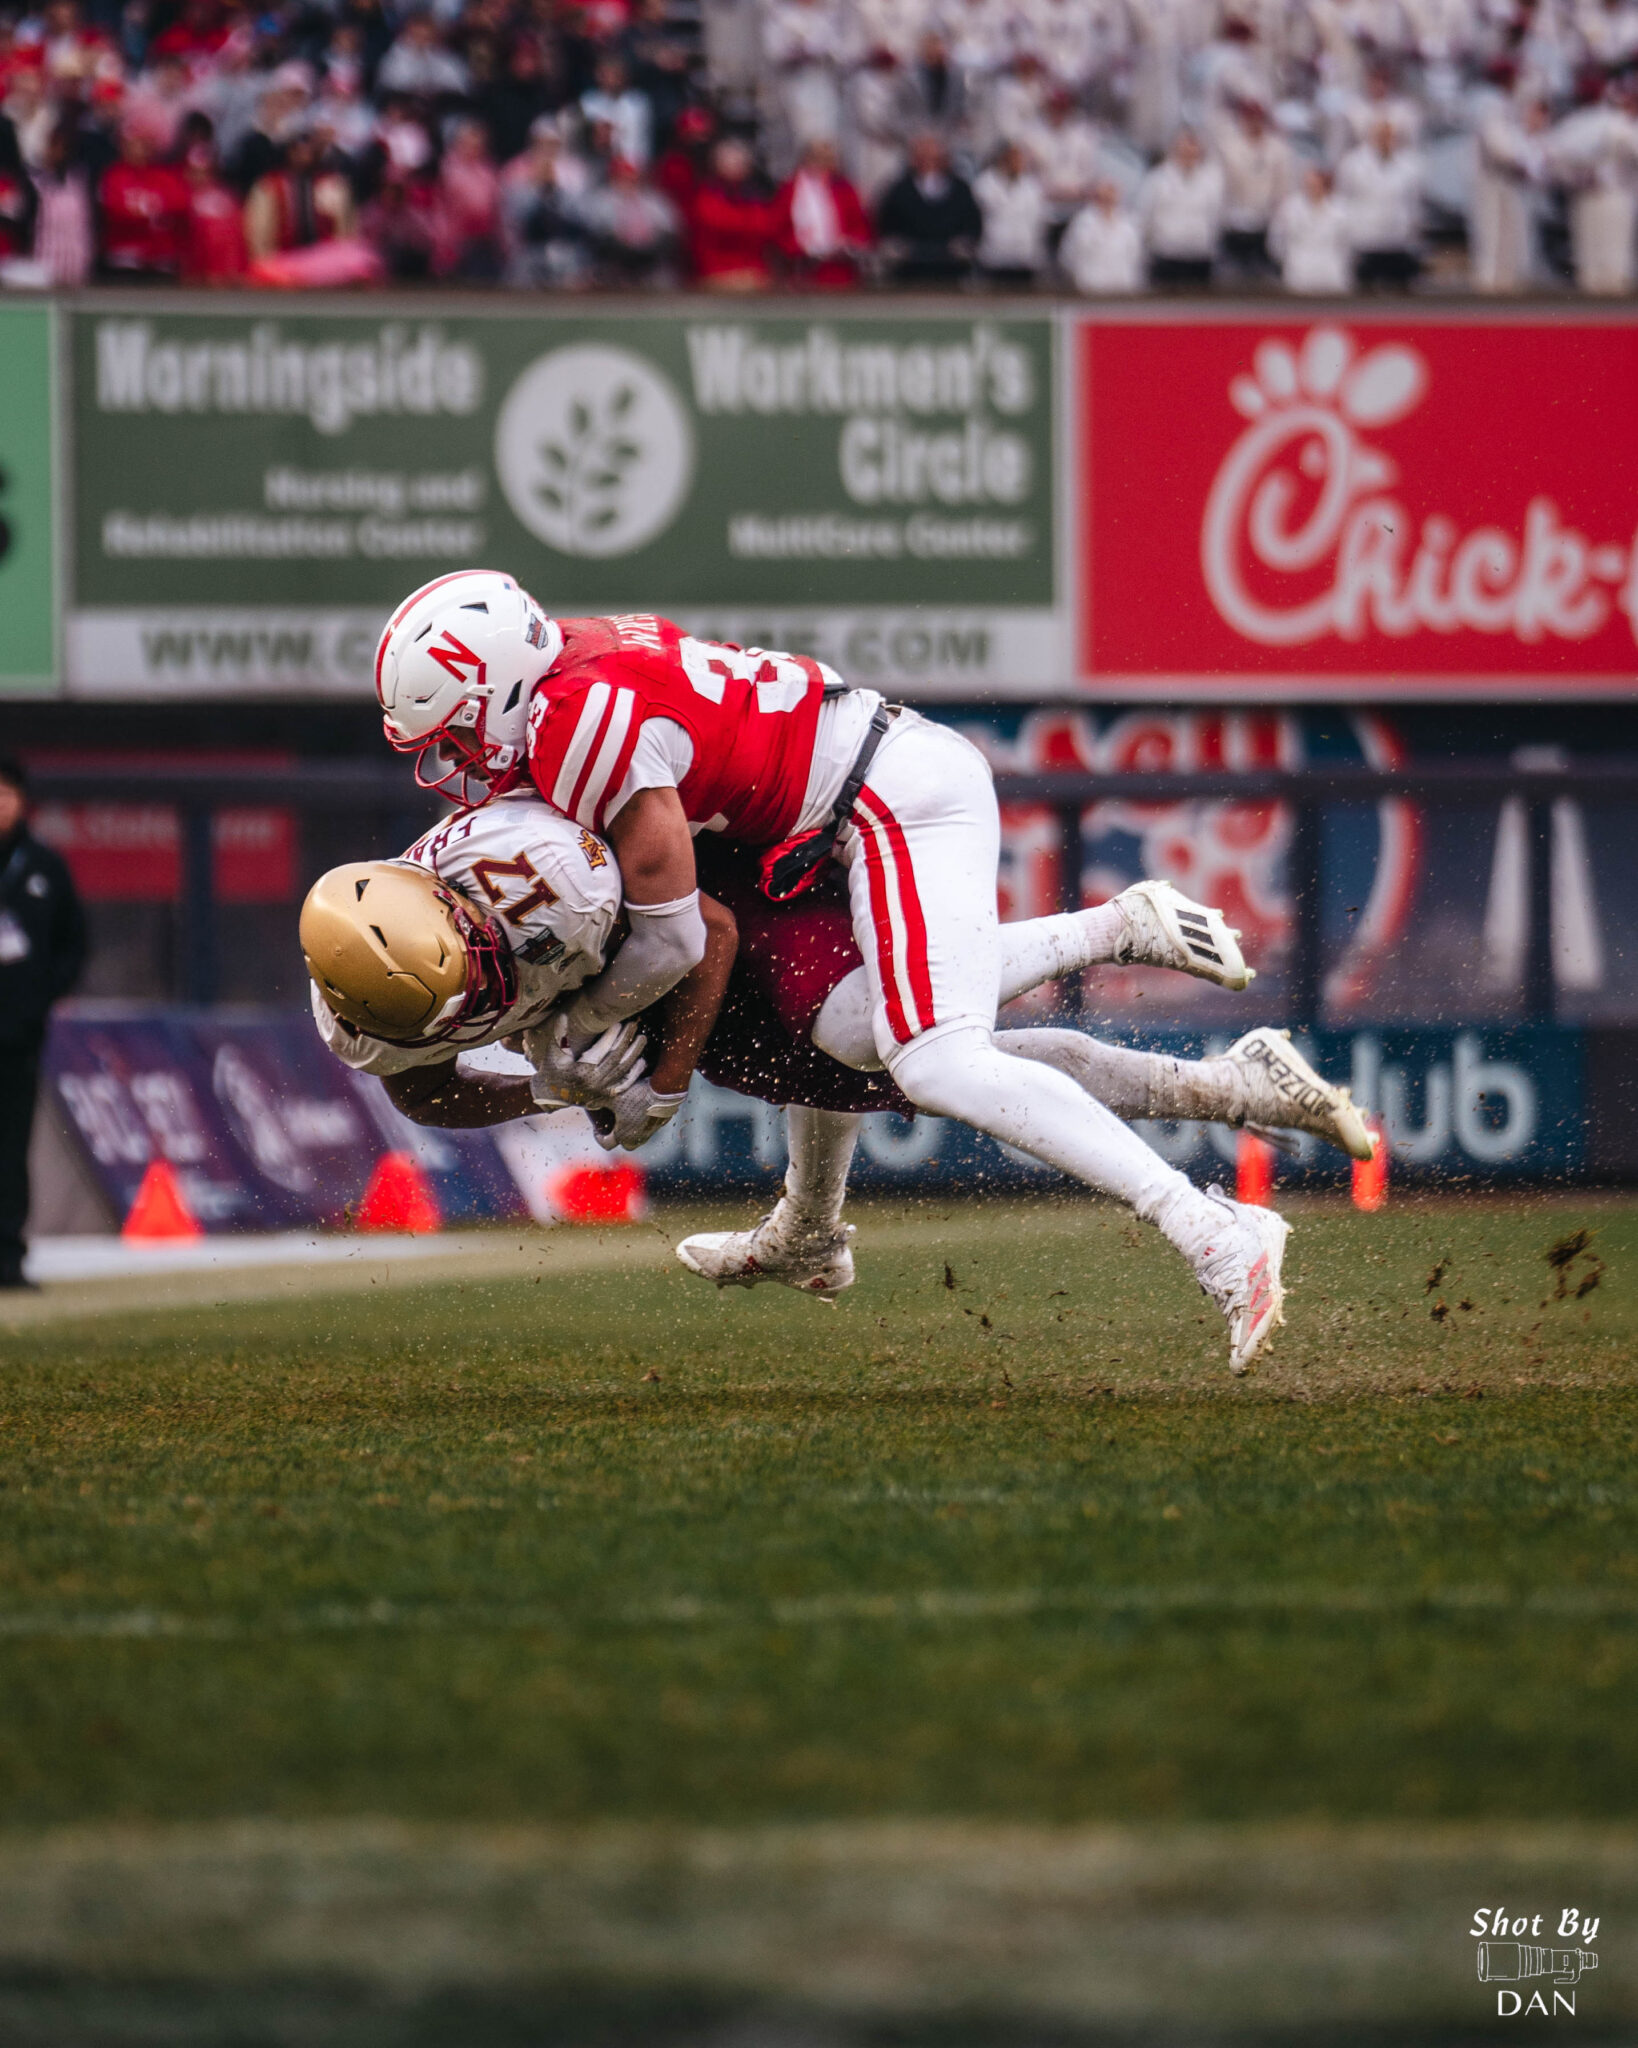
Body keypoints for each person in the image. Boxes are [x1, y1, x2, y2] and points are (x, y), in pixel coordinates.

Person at [373, 574, 1301, 1373]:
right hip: (818, 815)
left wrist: (615, 1056)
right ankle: (811, 1229)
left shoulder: (578, 722)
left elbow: (674, 939)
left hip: (887, 800)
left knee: (937, 1056)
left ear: (489, 683)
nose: (453, 760)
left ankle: (1214, 1230)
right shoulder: (569, 673)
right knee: (852, 1029)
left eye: (453, 733)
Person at [301, 791, 1370, 1312]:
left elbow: (699, 931)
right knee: (885, 1057)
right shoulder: (367, 1015)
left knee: (887, 1034)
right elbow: (432, 1096)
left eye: (492, 965)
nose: (495, 989)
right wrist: (540, 1081)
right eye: (468, 997)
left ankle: (1108, 930)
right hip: (690, 970)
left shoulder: (538, 870)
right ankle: (1228, 1084)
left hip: (734, 885)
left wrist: (657, 1073)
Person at [0, 758, 87, 1291]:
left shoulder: (43, 867)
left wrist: (38, 998)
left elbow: (72, 944)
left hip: (17, 1036)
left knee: (11, 1148)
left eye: (5, 795)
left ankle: (8, 1258)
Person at [875, 129, 981, 283]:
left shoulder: (960, 189)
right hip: (909, 271)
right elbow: (887, 222)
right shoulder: (900, 189)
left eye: (935, 158)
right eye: (924, 158)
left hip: (951, 271)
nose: (930, 163)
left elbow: (972, 222)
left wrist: (964, 242)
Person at [1336, 115, 1424, 287]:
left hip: (1398, 240)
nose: (1384, 139)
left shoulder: (1411, 166)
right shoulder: (1353, 164)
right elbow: (1343, 201)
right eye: (1380, 135)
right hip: (1364, 240)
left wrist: (1412, 233)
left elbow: (1414, 204)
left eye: (1389, 135)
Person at [776, 136, 871, 286]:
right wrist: (804, 248)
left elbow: (860, 225)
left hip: (839, 268)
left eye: (826, 159)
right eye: (815, 158)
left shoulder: (844, 190)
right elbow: (779, 227)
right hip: (803, 268)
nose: (820, 164)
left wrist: (849, 242)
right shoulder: (790, 189)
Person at [1138, 126, 1224, 288]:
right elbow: (1144, 218)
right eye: (1183, 151)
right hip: (1166, 256)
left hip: (1199, 257)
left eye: (1192, 152)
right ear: (1174, 151)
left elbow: (1216, 218)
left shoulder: (1211, 183)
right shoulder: (1157, 180)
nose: (1188, 156)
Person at [973, 136, 1049, 283]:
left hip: (1025, 258)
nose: (1018, 161)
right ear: (1003, 158)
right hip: (994, 258)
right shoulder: (984, 185)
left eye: (1020, 157)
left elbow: (1039, 221)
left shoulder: (1032, 187)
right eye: (1013, 157)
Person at [1269, 162, 1353, 292]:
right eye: (1309, 185)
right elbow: (1277, 241)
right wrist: (1290, 260)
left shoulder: (1341, 210)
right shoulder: (1290, 208)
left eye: (1317, 185)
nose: (1313, 188)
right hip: (1299, 270)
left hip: (1331, 271)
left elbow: (1347, 244)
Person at [1059, 177, 1143, 291]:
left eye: (1111, 195)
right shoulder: (1082, 224)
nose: (1107, 200)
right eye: (1103, 197)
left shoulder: (1129, 224)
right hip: (1090, 289)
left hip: (1122, 290)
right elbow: (1069, 258)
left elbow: (1136, 256)